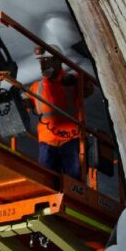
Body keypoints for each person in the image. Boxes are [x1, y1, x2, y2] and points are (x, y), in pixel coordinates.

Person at [26, 46, 89, 179]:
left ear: (58, 61)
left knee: (73, 182)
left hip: (71, 139)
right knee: (47, 180)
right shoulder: (36, 87)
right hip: (47, 141)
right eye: (40, 61)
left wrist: (75, 79)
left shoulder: (71, 81)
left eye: (47, 60)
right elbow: (23, 103)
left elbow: (89, 88)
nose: (43, 65)